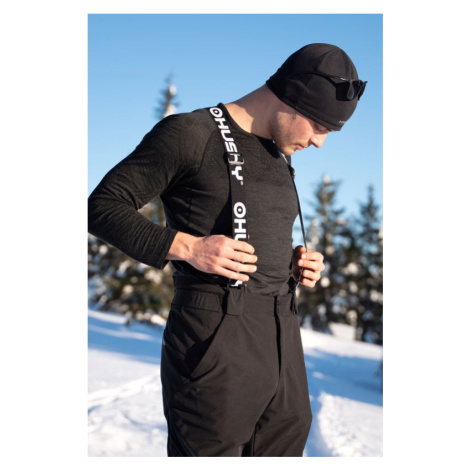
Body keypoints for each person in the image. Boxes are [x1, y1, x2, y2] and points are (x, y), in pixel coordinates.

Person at [88, 43, 366, 457]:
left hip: (282, 336)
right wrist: (188, 247)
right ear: (290, 97)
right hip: (215, 335)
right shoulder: (190, 134)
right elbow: (101, 207)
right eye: (319, 125)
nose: (320, 142)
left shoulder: (279, 152)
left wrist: (292, 263)